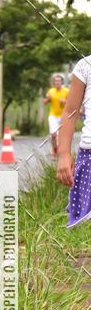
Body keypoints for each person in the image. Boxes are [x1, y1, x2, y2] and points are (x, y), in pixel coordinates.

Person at [56, 56, 91, 227]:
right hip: (89, 157)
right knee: (85, 229)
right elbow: (70, 111)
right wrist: (63, 154)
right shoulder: (85, 66)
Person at [44, 72, 69, 157]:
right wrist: (48, 99)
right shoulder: (51, 91)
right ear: (54, 83)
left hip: (63, 116)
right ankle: (54, 149)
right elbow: (45, 102)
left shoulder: (66, 91)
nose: (57, 83)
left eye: (59, 81)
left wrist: (65, 101)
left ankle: (60, 151)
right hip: (53, 116)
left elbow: (71, 103)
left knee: (61, 136)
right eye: (55, 81)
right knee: (53, 135)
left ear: (62, 82)